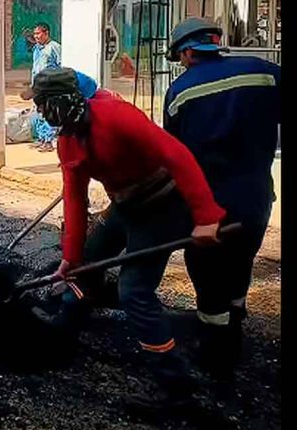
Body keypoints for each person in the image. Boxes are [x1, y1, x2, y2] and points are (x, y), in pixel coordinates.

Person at [30, 68, 227, 414]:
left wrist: (206, 216)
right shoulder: (68, 142)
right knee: (84, 267)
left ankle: (175, 386)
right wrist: (70, 257)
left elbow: (177, 155)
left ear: (61, 102)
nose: (40, 113)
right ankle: (65, 333)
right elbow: (75, 199)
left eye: (43, 105)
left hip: (166, 205)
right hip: (126, 205)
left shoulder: (116, 116)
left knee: (134, 290)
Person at [164, 17, 281, 379]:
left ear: (186, 52)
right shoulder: (264, 72)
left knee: (208, 274)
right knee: (241, 261)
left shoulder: (179, 92)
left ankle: (217, 357)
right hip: (257, 195)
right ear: (216, 41)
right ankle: (235, 324)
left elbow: (175, 158)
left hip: (209, 205)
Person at [28, 23, 62, 152]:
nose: (36, 36)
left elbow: (60, 65)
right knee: (39, 112)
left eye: (38, 33)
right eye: (35, 34)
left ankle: (48, 141)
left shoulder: (54, 47)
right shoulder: (37, 48)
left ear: (46, 33)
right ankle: (41, 138)